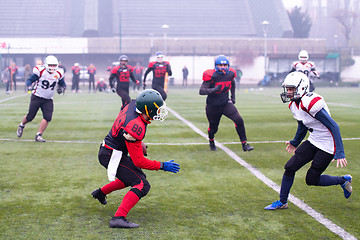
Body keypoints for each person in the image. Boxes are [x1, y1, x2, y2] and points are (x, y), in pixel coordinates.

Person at [91, 89, 180, 228]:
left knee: (134, 177)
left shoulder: (134, 105)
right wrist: (162, 165)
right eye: (156, 109)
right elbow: (139, 161)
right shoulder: (135, 127)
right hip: (111, 155)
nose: (159, 112)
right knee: (142, 184)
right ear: (148, 110)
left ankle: (100, 193)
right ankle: (118, 218)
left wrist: (139, 143)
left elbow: (124, 127)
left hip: (111, 149)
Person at [264, 72, 352, 210]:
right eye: (287, 89)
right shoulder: (294, 104)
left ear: (302, 88)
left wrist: (340, 152)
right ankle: (283, 201)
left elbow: (334, 126)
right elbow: (302, 125)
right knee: (289, 167)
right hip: (314, 140)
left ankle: (343, 180)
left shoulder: (310, 102)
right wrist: (295, 141)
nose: (288, 92)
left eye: (291, 89)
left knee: (311, 180)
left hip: (327, 145)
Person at [199, 55, 254, 152]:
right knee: (213, 129)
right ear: (216, 66)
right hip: (212, 106)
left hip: (225, 103)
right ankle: (211, 141)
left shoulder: (231, 73)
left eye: (225, 65)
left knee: (239, 120)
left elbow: (232, 83)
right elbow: (201, 91)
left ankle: (244, 144)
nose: (223, 67)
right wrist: (213, 90)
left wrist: (233, 96)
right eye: (221, 65)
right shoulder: (211, 75)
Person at [16, 55, 66, 142]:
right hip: (37, 97)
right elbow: (29, 80)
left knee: (47, 117)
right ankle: (21, 125)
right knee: (30, 116)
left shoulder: (59, 72)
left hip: (48, 99)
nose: (52, 67)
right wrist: (29, 86)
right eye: (51, 65)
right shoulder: (41, 71)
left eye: (54, 65)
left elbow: (63, 83)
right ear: (46, 64)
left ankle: (39, 135)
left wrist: (62, 88)